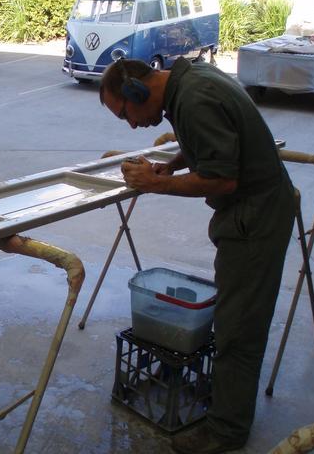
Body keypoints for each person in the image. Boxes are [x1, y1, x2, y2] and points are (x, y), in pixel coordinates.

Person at [99, 57, 295, 454]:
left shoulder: (194, 98)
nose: (132, 125)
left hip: (255, 218)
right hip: (255, 210)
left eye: (125, 114)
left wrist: (156, 185)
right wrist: (170, 166)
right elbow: (206, 144)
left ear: (137, 92)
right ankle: (228, 402)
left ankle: (226, 432)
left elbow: (223, 177)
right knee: (236, 318)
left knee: (238, 330)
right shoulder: (189, 82)